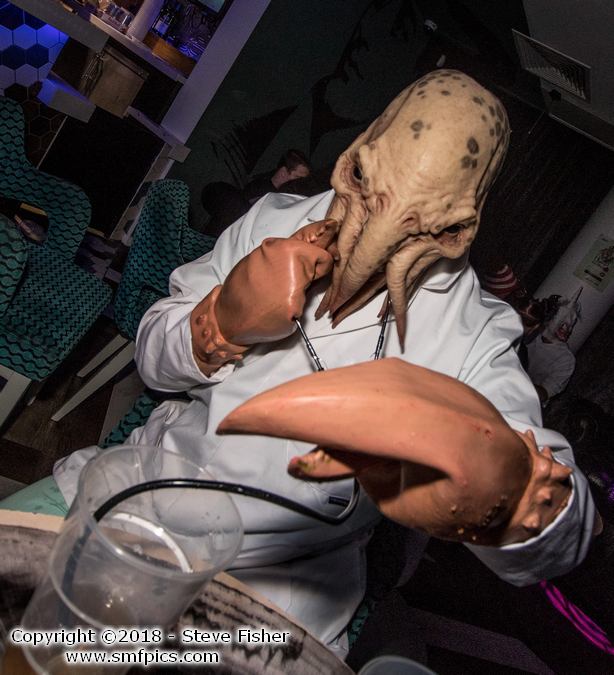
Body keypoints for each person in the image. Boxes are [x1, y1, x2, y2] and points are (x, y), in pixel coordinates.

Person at [2, 70, 597, 655]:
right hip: (135, 502)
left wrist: (508, 488)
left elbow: (563, 542)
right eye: (362, 181)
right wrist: (219, 323)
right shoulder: (272, 218)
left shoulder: (478, 336)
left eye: (420, 224)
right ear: (353, 154)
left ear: (459, 230)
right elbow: (154, 360)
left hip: (267, 605)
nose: (371, 232)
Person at [201, 149, 311, 237]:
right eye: (297, 177)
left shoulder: (274, 194)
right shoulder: (260, 191)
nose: (300, 183)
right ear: (283, 172)